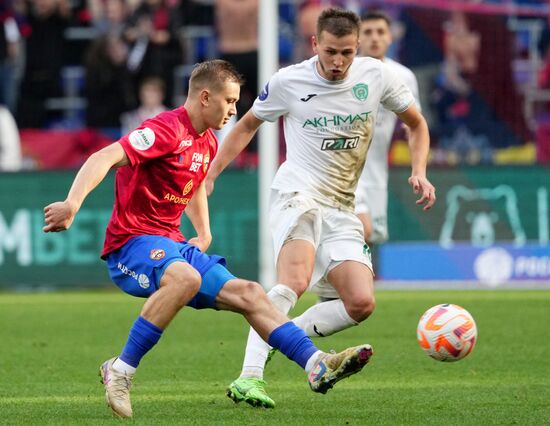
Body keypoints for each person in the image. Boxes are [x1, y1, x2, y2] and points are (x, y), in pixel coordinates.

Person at [42, 59, 372, 419]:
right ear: (204, 97)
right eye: (230, 101)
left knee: (250, 294)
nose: (234, 110)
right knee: (187, 277)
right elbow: (104, 156)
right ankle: (120, 371)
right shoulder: (164, 129)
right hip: (131, 242)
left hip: (171, 242)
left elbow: (194, 182)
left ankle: (315, 363)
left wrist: (204, 231)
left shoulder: (208, 142)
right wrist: (72, 204)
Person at [206, 8, 436, 408]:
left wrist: (420, 170)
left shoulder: (377, 76)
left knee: (361, 303)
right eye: (330, 52)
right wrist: (210, 175)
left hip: (342, 204)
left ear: (357, 47)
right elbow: (245, 126)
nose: (338, 62)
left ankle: (282, 333)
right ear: (315, 44)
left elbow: (416, 124)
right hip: (298, 195)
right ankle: (249, 376)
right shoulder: (289, 81)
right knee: (293, 281)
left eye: (347, 52)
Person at [354, 10, 421, 244]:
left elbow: (415, 126)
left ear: (390, 37)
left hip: (376, 173)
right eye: (368, 32)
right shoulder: (346, 73)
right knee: (362, 231)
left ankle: (352, 281)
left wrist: (418, 169)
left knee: (371, 238)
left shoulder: (403, 76)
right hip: (345, 171)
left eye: (380, 32)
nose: (375, 38)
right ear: (358, 39)